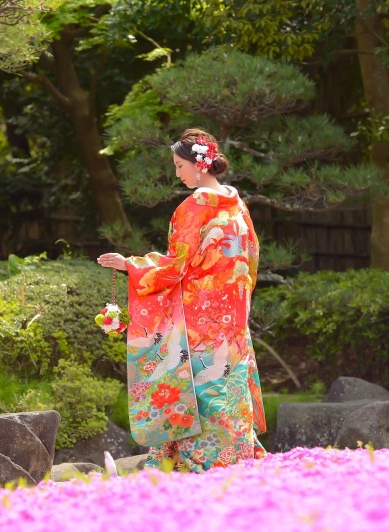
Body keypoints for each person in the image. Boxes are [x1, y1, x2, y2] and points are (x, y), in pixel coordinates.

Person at [97, 128, 267, 472]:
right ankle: (238, 460)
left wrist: (130, 266)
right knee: (228, 385)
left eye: (179, 165)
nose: (177, 173)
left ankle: (198, 465)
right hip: (233, 314)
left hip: (198, 316)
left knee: (201, 386)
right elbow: (250, 259)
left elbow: (175, 266)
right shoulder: (238, 206)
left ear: (199, 165)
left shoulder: (193, 208)